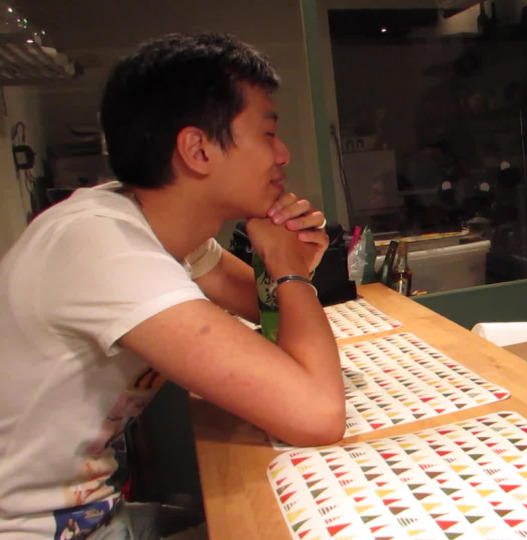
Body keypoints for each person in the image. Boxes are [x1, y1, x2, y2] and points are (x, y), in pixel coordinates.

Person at [0, 33, 346, 539]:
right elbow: (317, 414)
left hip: (94, 512)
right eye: (268, 133)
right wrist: (288, 270)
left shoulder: (152, 226)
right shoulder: (103, 246)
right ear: (198, 150)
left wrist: (286, 267)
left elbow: (263, 310)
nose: (282, 153)